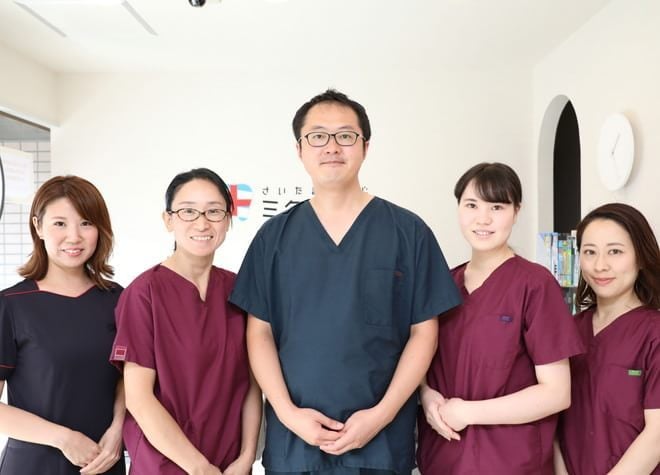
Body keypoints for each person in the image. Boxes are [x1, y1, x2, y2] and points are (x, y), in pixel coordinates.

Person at [229, 89, 461, 475]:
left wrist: (381, 415)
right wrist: (287, 414)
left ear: (366, 147)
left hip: (380, 444)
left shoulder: (408, 232)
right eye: (318, 136)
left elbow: (424, 333)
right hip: (296, 446)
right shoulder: (274, 238)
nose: (332, 147)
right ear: (299, 149)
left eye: (346, 135)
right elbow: (259, 333)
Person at [417, 162, 585, 474]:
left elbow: (556, 393)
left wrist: (467, 412)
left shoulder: (535, 284)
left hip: (509, 462)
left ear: (516, 211)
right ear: (458, 209)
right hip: (444, 458)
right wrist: (426, 397)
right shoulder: (444, 286)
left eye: (497, 206)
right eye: (471, 205)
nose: (483, 218)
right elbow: (422, 362)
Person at [109, 168, 261, 474]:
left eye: (214, 211)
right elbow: (138, 398)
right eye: (188, 211)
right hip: (165, 465)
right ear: (168, 220)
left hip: (228, 466)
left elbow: (252, 386)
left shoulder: (239, 291)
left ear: (228, 219)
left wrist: (245, 458)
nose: (202, 223)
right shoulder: (144, 293)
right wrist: (199, 467)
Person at [0, 175, 125, 474]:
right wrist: (63, 439)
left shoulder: (118, 299)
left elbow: (128, 378)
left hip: (103, 461)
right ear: (38, 226)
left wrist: (118, 430)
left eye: (86, 223)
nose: (74, 237)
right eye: (60, 223)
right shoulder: (12, 304)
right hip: (33, 465)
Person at [556, 203, 660, 474]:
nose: (600, 265)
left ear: (640, 257)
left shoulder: (654, 333)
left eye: (615, 251)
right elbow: (552, 424)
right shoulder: (568, 331)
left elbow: (657, 436)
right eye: (590, 252)